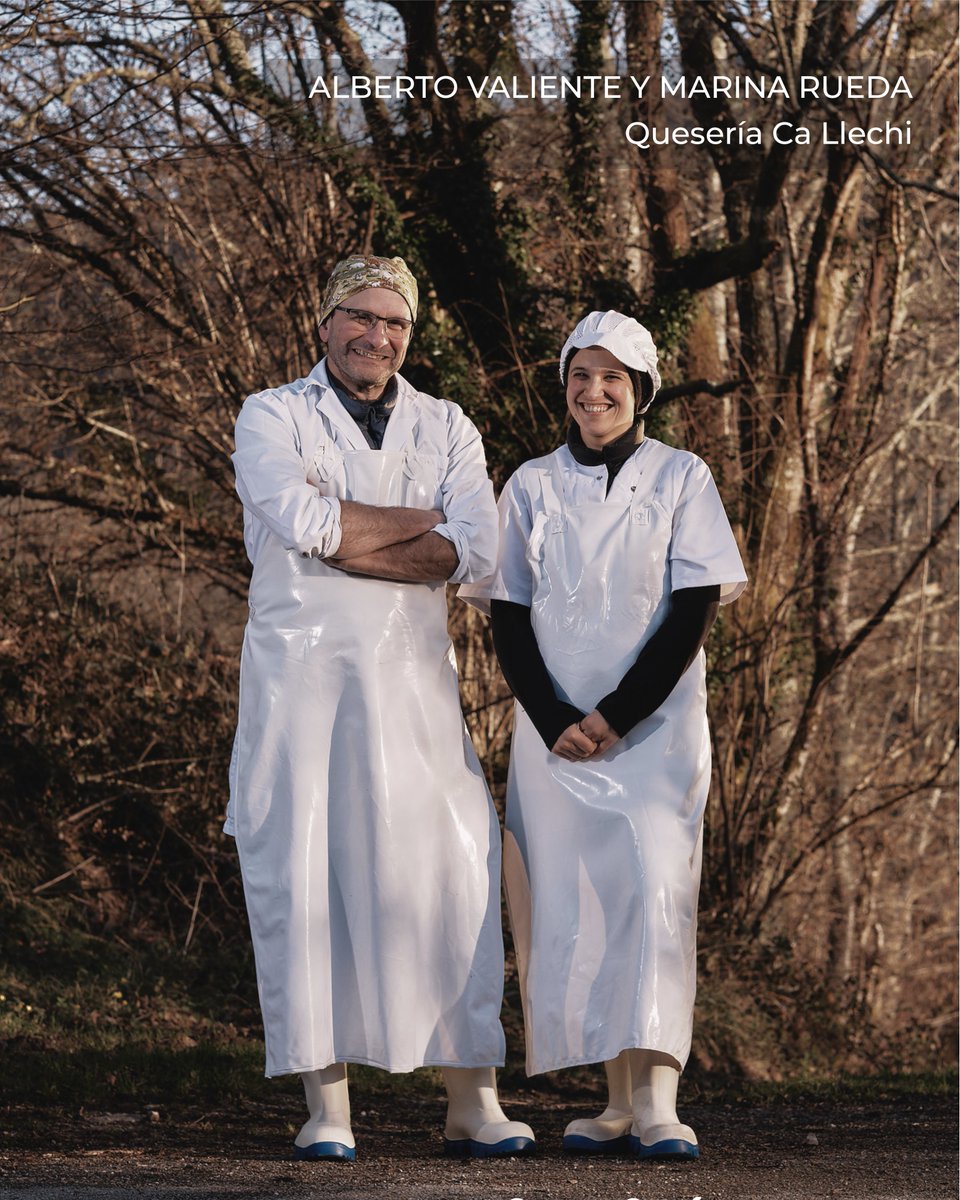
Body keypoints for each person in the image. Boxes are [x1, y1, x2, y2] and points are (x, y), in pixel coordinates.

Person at [225, 255, 534, 1161]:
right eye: (359, 316)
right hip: (301, 683)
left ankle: (471, 1096)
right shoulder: (273, 414)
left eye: (394, 323)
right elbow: (300, 523)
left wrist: (347, 531)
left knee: (452, 869)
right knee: (308, 874)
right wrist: (416, 519)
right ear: (325, 322)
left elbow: (477, 552)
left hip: (413, 682)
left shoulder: (446, 422)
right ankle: (329, 1106)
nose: (377, 336)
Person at [460, 310, 747, 1160]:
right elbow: (506, 612)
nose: (594, 392)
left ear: (643, 387)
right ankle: (615, 1101)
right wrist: (554, 718)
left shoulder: (681, 478)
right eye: (580, 377)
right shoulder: (532, 485)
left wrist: (616, 714)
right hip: (555, 738)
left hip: (652, 732)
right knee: (576, 905)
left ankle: (660, 1102)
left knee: (655, 893)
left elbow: (692, 607)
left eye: (612, 377)